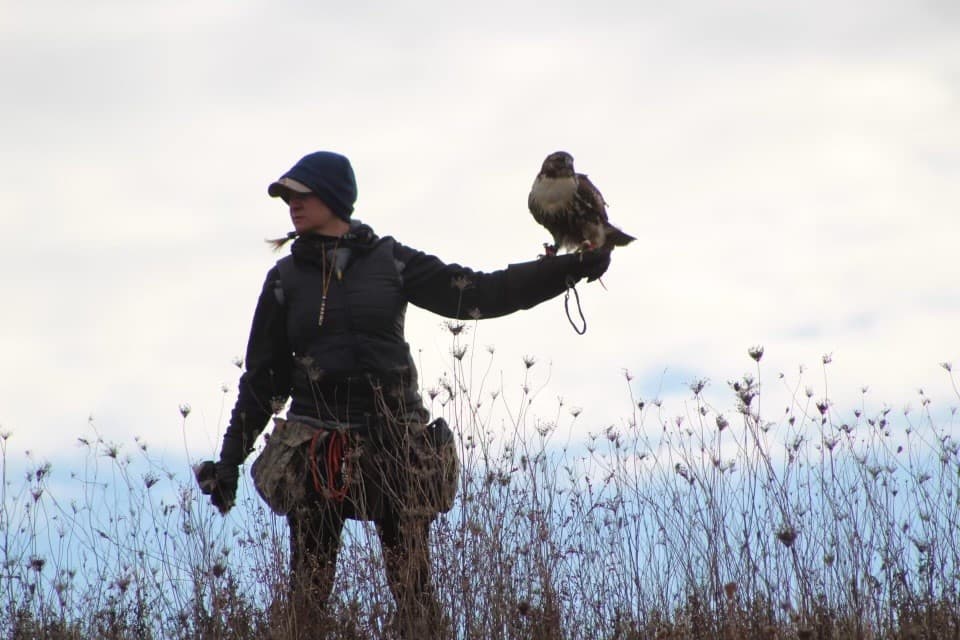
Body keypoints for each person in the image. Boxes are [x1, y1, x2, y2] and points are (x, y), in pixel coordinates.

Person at [201, 150, 610, 637]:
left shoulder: (390, 260)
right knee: (305, 601)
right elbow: (263, 381)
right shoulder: (284, 280)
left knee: (415, 598)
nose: (291, 203)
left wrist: (562, 272)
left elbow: (478, 293)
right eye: (286, 196)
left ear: (333, 198)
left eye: (300, 194)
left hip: (396, 448)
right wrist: (229, 462)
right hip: (317, 451)